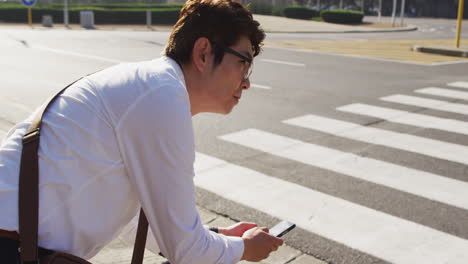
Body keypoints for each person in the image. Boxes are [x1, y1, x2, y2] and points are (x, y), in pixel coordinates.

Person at [0, 0, 284, 263]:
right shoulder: (162, 95)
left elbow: (139, 218)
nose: (246, 82)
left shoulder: (152, 86)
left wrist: (220, 234)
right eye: (243, 63)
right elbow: (187, 252)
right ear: (203, 53)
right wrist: (245, 248)